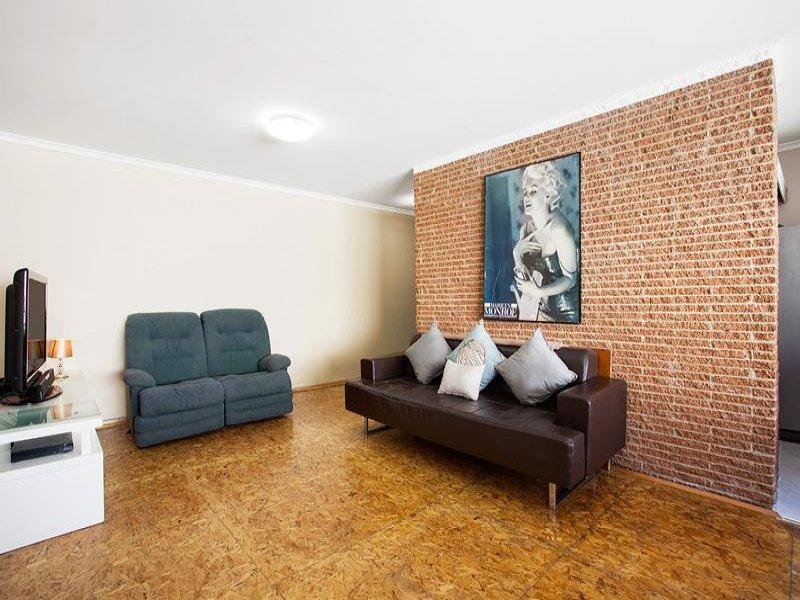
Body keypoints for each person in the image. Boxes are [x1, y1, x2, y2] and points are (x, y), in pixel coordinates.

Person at [511, 161, 579, 322]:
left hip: (565, 315)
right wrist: (516, 254)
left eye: (533, 191)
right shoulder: (526, 230)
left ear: (548, 195)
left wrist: (538, 292)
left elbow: (570, 280)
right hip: (539, 311)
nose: (526, 197)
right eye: (525, 192)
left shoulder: (559, 229)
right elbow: (525, 280)